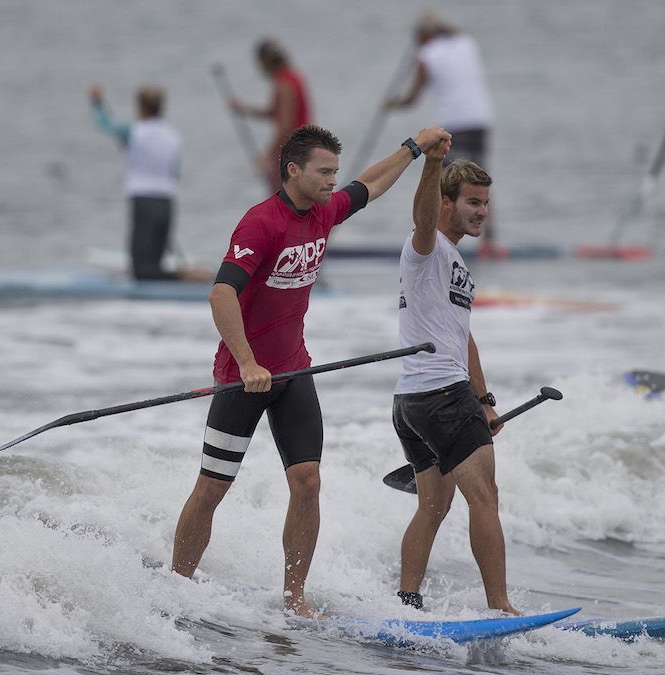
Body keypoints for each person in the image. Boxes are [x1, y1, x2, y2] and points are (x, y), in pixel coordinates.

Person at [172, 124, 452, 618]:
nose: (331, 181)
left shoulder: (324, 212)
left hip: (294, 374)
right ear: (293, 171)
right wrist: (246, 361)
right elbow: (221, 293)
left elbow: (369, 184)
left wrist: (413, 149)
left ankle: (293, 598)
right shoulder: (261, 223)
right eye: (323, 172)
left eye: (334, 173)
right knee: (213, 485)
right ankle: (175, 586)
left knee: (308, 482)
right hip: (244, 378)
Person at [392, 155, 519, 615]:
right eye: (471, 202)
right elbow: (422, 216)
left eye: (485, 203)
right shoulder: (425, 247)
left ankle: (407, 604)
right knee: (485, 497)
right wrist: (430, 164)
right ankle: (500, 606)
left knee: (434, 505)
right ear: (445, 204)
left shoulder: (453, 259)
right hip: (440, 395)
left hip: (412, 400)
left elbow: (462, 336)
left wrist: (484, 401)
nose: (482, 211)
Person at [383, 11, 500, 258]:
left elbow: (412, 98)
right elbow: (453, 30)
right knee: (480, 178)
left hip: (453, 124)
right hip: (480, 119)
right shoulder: (465, 42)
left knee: (444, 182)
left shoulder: (426, 55)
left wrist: (392, 104)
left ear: (423, 37)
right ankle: (490, 240)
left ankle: (436, 236)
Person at [89, 84, 210, 281]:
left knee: (142, 271)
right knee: (152, 265)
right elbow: (174, 174)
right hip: (166, 204)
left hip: (144, 202)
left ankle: (187, 275)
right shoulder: (174, 137)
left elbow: (105, 124)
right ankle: (184, 276)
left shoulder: (133, 131)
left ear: (141, 107)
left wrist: (97, 103)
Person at [227, 39, 312, 191]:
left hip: (294, 150)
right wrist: (244, 110)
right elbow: (275, 113)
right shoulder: (292, 76)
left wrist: (267, 156)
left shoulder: (284, 83)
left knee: (282, 198)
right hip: (305, 146)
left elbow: (285, 126)